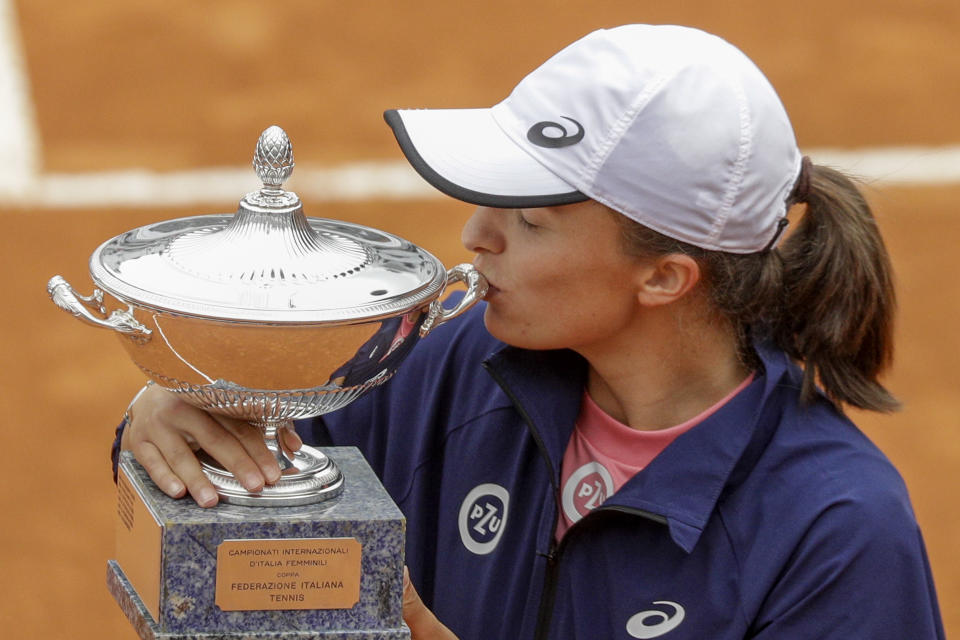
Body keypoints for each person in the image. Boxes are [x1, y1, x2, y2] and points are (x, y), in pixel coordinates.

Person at [113, 24, 945, 639]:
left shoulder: (837, 531)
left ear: (664, 276)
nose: (477, 237)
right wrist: (182, 415)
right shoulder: (457, 362)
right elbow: (270, 456)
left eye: (531, 221)